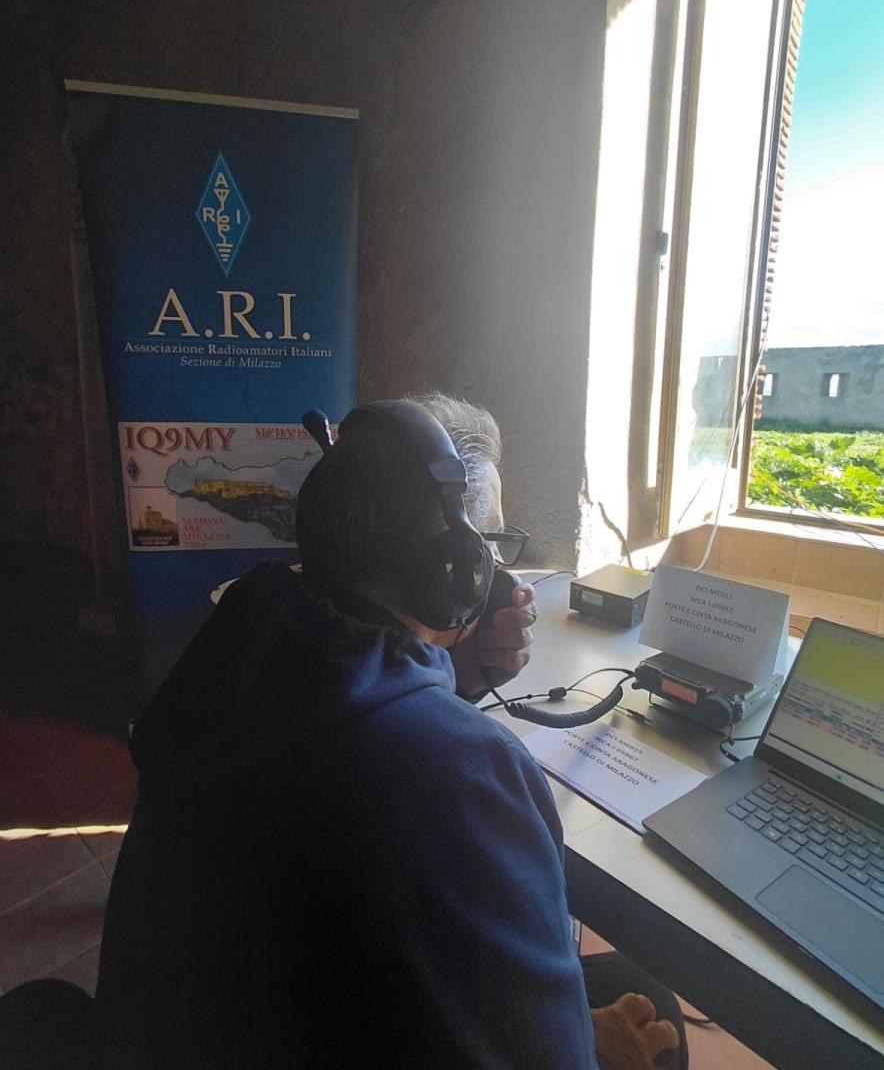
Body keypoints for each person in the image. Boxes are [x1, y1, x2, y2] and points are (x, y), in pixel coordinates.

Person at [91, 392, 684, 1069]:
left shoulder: (224, 663)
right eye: (488, 547)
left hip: (233, 1019)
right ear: (453, 568)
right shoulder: (468, 772)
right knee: (651, 1009)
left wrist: (440, 675)